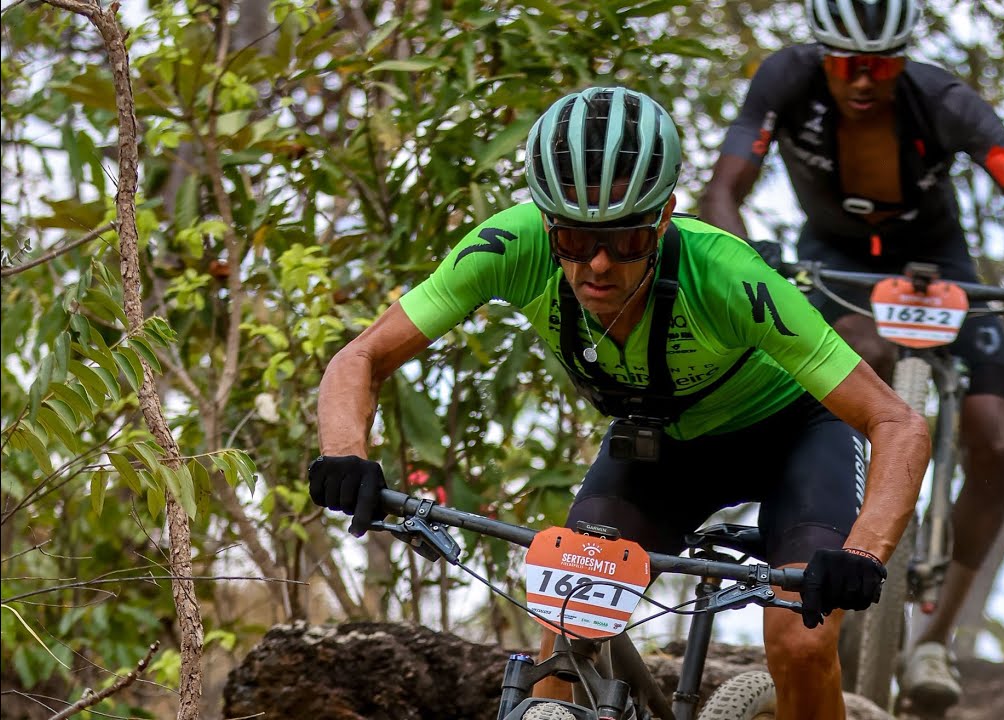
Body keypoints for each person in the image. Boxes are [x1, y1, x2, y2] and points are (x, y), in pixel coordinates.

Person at [309, 85, 930, 720]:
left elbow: (898, 421)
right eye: (574, 241)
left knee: (800, 640)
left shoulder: (728, 275)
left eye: (627, 239)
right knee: (567, 625)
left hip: (795, 437)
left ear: (663, 219)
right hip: (660, 447)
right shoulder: (509, 246)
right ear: (546, 223)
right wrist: (345, 454)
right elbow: (362, 356)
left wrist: (862, 554)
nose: (598, 265)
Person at [700, 0, 1004, 712]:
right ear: (822, 56)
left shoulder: (945, 100)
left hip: (939, 263)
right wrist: (749, 251)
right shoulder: (786, 80)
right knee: (844, 364)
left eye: (882, 65)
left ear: (904, 59)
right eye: (848, 65)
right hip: (835, 259)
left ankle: (935, 637)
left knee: (997, 438)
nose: (864, 81)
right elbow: (723, 190)